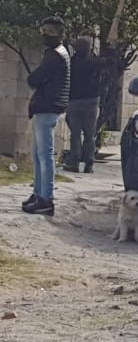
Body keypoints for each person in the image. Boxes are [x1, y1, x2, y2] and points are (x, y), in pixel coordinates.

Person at [23, 17, 71, 216]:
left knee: (45, 155)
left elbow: (36, 78)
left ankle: (46, 198)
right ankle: (38, 193)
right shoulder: (59, 53)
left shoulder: (55, 55)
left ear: (59, 34)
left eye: (50, 31)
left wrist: (32, 79)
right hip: (47, 107)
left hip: (48, 107)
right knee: (37, 154)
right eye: (43, 30)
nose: (45, 34)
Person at [64, 36, 117, 173]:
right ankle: (89, 163)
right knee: (89, 134)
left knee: (75, 134)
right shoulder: (92, 62)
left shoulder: (71, 63)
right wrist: (110, 48)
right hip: (91, 102)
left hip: (74, 101)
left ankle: (74, 162)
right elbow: (110, 62)